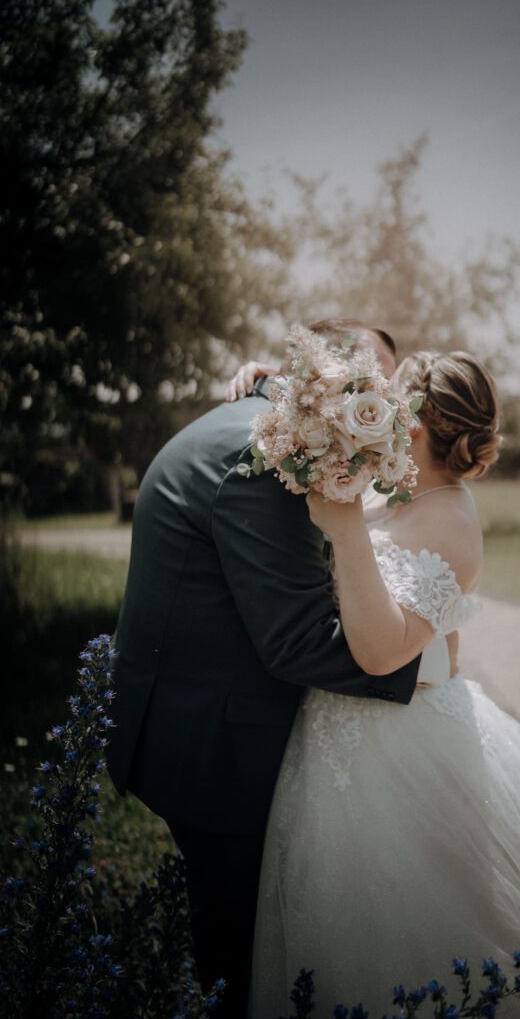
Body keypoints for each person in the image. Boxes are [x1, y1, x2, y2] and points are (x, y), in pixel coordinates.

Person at [233, 350, 520, 1018]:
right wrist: (271, 385)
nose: (378, 410)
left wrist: (348, 529)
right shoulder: (395, 484)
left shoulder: (451, 524)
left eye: (390, 401)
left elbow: (383, 652)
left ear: (417, 424)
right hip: (335, 741)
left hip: (401, 752)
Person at [105, 318, 422, 1019]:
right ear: (317, 379)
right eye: (365, 387)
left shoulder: (265, 426)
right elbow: (296, 641)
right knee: (241, 951)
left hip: (189, 712)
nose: (380, 408)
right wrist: (415, 665)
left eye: (385, 394)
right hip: (211, 747)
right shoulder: (263, 459)